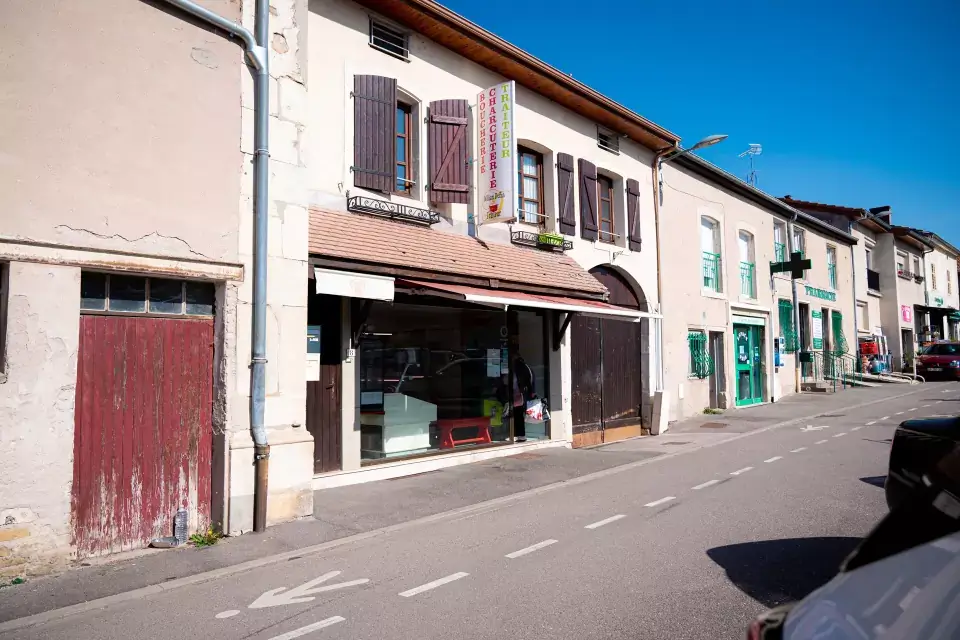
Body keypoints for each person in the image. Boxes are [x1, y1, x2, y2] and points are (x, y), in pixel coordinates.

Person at [512, 356, 534, 442]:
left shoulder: (520, 369)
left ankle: (518, 435)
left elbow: (527, 381)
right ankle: (518, 435)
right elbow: (530, 381)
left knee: (517, 415)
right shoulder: (526, 368)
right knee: (518, 415)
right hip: (520, 395)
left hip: (518, 395)